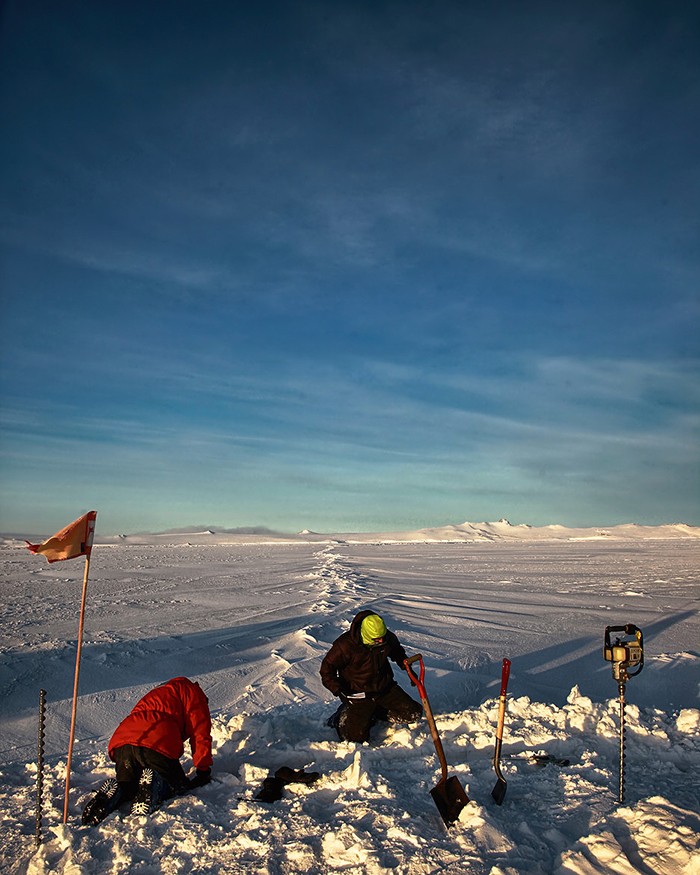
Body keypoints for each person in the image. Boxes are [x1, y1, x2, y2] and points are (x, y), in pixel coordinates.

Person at [82, 676, 213, 825]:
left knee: (130, 785)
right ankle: (155, 786)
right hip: (156, 740)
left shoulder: (161, 692)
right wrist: (203, 770)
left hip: (123, 742)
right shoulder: (195, 696)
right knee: (176, 785)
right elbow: (200, 734)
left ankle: (117, 791)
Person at [320, 610, 422, 743]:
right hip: (358, 694)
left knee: (413, 714)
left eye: (382, 637)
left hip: (384, 687)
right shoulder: (344, 646)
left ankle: (374, 711)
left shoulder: (386, 637)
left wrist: (407, 667)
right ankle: (341, 716)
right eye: (376, 639)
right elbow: (326, 670)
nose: (381, 640)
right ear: (366, 634)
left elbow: (397, 652)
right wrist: (339, 690)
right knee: (355, 739)